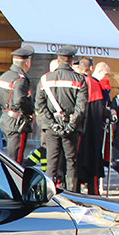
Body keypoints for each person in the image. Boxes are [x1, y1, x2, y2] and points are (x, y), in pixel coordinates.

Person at [35, 46, 87, 192]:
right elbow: (81, 107)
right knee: (72, 162)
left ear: (58, 60)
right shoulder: (79, 79)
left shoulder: (45, 79)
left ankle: (47, 194)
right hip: (71, 125)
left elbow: (39, 105)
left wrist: (52, 124)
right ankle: (72, 194)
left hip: (52, 126)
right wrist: (71, 125)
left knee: (52, 162)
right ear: (71, 61)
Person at [73, 57, 108, 195]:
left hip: (74, 129)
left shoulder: (74, 81)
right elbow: (99, 110)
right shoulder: (93, 84)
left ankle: (73, 190)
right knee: (92, 159)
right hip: (90, 131)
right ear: (91, 68)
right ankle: (93, 191)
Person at [0, 44, 35, 164]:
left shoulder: (4, 76)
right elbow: (20, 99)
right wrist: (29, 112)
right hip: (16, 122)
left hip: (5, 118)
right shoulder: (20, 79)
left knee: (10, 156)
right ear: (27, 63)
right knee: (16, 161)